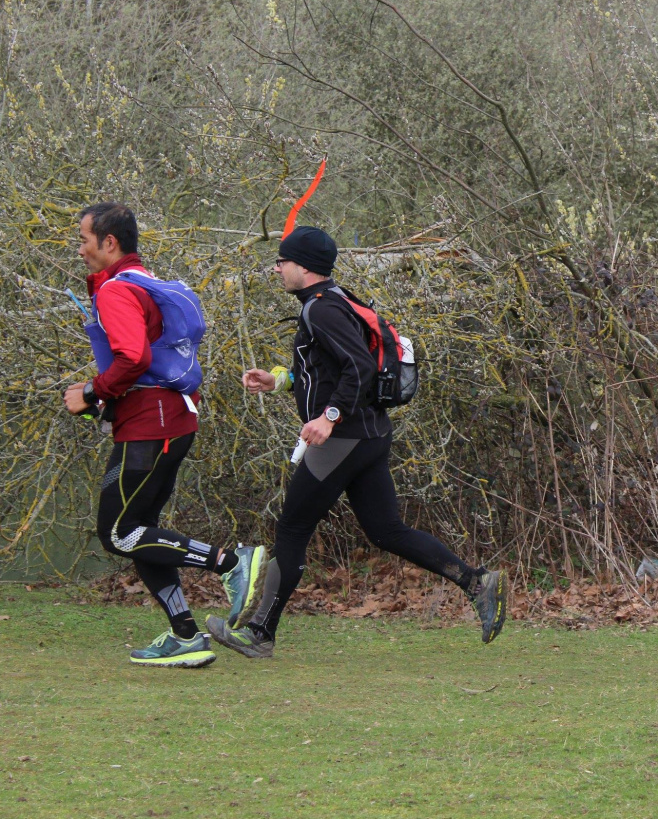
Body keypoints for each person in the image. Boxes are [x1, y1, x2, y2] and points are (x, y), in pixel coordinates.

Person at [206, 226, 507, 658]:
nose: (277, 269)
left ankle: (259, 633)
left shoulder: (320, 310)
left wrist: (328, 418)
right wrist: (278, 381)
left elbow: (359, 367)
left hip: (343, 440)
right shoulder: (335, 299)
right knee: (387, 531)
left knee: (292, 530)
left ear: (304, 266)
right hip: (370, 434)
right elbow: (328, 371)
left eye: (282, 261)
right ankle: (477, 583)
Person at [62, 202, 267, 668]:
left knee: (118, 533)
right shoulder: (144, 280)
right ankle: (186, 635)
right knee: (139, 531)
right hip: (168, 418)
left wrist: (92, 391)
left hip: (150, 426)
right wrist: (104, 398)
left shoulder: (116, 290)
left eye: (83, 240)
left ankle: (232, 563)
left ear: (108, 242)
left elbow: (133, 358)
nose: (80, 250)